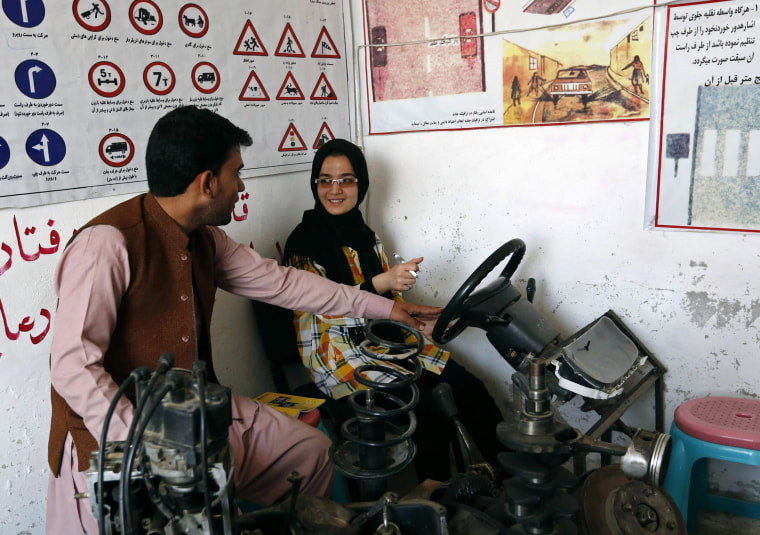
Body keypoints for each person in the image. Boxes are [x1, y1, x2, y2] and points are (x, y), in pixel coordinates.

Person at [46, 106, 441, 534]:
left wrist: (387, 307)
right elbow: (73, 366)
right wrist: (145, 447)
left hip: (196, 414)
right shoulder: (105, 245)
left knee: (309, 453)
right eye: (236, 173)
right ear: (208, 183)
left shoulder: (206, 240)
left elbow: (287, 284)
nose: (241, 186)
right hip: (114, 438)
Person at [283, 139, 504, 483]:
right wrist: (382, 283)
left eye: (347, 179)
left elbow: (388, 306)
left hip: (383, 340)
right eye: (325, 180)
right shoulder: (303, 243)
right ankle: (436, 495)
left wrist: (418, 320)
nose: (335, 190)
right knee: (428, 407)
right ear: (315, 185)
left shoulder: (367, 236)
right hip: (337, 351)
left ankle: (502, 482)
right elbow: (321, 307)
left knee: (469, 388)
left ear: (362, 183)